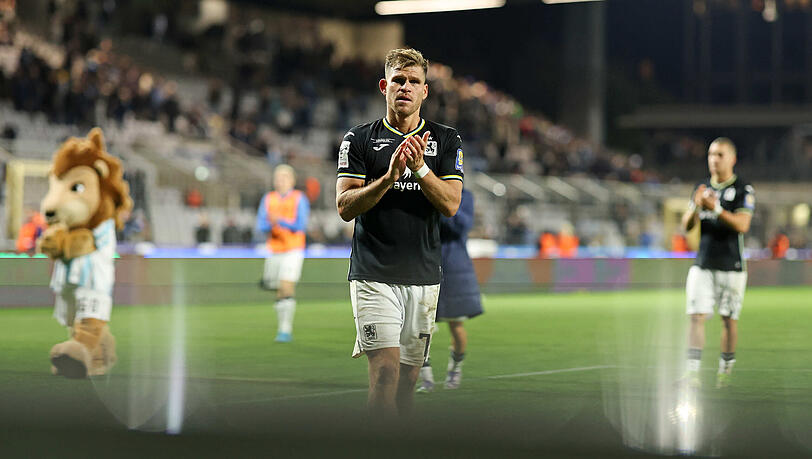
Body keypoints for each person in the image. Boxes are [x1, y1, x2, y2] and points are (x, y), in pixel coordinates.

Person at [335, 48, 464, 419]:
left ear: (425, 91)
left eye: (414, 81)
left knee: (408, 382)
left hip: (423, 277)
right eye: (398, 80)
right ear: (384, 86)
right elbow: (345, 206)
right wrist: (388, 178)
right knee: (385, 373)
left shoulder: (446, 140)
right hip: (373, 274)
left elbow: (451, 205)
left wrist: (420, 169)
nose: (405, 87)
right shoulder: (359, 139)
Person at [680, 137, 755, 389]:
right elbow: (686, 226)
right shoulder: (701, 187)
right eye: (711, 154)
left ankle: (725, 371)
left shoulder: (743, 189)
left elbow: (742, 225)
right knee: (695, 316)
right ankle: (692, 374)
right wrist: (696, 206)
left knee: (728, 320)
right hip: (703, 263)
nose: (714, 159)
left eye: (720, 155)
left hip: (731, 265)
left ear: (732, 159)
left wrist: (717, 209)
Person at [417, 188, 482, 393]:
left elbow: (460, 226)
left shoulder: (465, 195)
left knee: (456, 324)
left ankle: (455, 369)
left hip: (454, 268)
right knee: (420, 326)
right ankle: (425, 377)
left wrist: (439, 203)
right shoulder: (422, 188)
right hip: (425, 264)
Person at [257, 164, 310, 343]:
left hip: (293, 249)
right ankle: (282, 327)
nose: (281, 181)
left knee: (286, 285)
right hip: (274, 250)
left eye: (285, 177)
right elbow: (260, 225)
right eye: (278, 177)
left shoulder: (299, 198)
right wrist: (272, 223)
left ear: (292, 180)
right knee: (278, 289)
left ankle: (285, 330)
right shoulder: (268, 198)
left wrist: (279, 221)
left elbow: (301, 225)